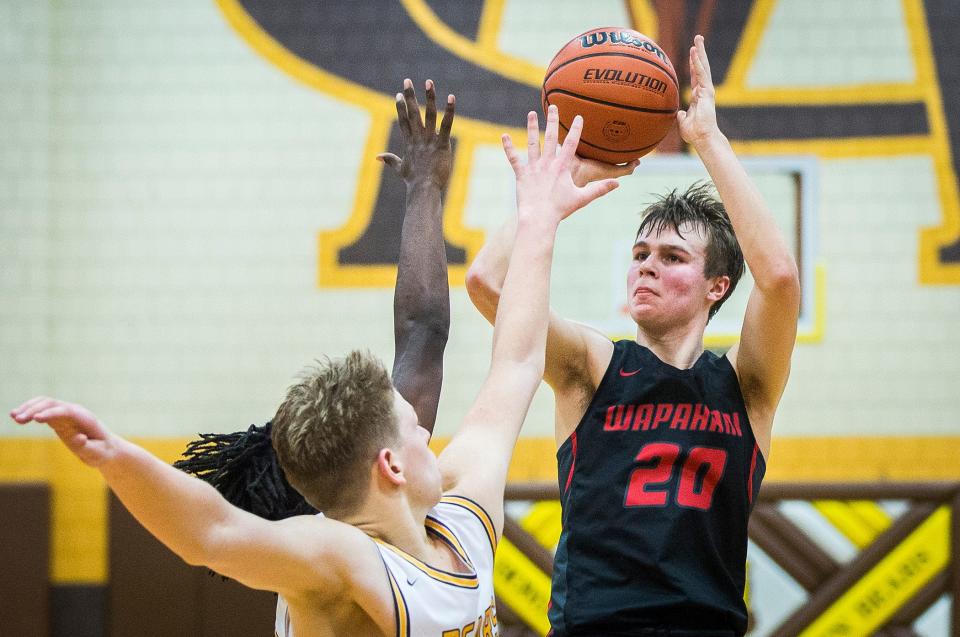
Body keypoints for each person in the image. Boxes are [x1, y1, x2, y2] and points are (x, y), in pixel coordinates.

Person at [9, 87, 620, 636]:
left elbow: (514, 361)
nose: (429, 432)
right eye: (414, 429)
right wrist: (113, 455)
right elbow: (213, 534)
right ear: (390, 465)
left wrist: (541, 215)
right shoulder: (342, 561)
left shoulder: (464, 516)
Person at [465, 36, 801, 637]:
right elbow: (488, 282)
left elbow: (777, 277)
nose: (646, 264)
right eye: (640, 252)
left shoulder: (745, 387)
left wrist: (708, 141)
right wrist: (554, 192)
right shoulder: (593, 368)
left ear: (716, 287)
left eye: (672, 256)